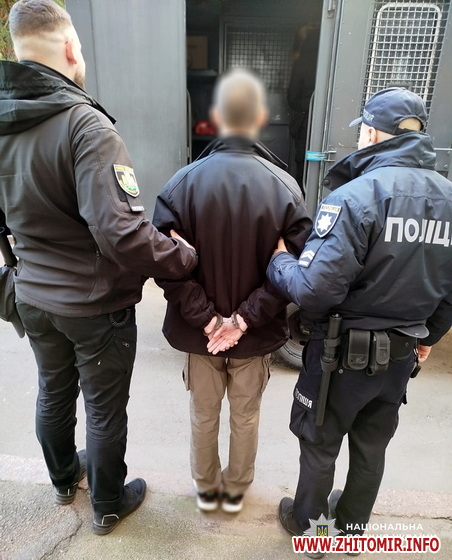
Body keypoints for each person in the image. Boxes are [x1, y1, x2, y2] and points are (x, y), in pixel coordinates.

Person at [0, 0, 197, 536]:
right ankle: (107, 505)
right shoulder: (85, 125)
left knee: (52, 391)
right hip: (93, 306)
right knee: (104, 412)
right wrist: (183, 257)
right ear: (69, 48)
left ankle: (64, 480)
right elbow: (121, 233)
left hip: (31, 294)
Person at [267, 87, 452, 558]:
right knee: (371, 447)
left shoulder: (355, 196)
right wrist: (428, 334)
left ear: (371, 133)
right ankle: (350, 533)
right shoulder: (448, 198)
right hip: (401, 353)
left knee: (320, 443)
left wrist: (279, 263)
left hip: (340, 354)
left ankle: (310, 532)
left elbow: (315, 290)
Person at [153, 69, 312, 514]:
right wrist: (244, 319)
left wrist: (207, 319)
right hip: (254, 334)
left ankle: (207, 489)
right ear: (259, 118)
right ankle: (236, 489)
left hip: (199, 335)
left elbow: (162, 264)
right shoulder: (285, 188)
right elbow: (295, 270)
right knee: (246, 415)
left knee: (203, 414)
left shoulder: (181, 185)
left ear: (218, 118)